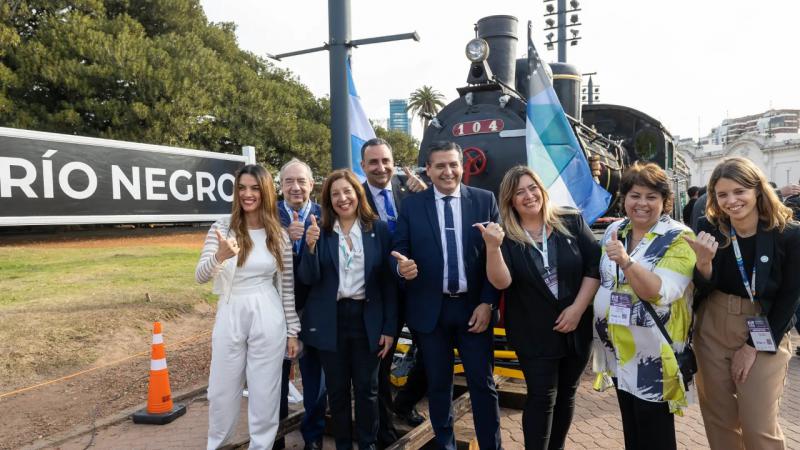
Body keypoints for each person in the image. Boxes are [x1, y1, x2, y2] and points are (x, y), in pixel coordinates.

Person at [479, 166, 601, 450]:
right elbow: (502, 281)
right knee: (541, 396)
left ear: (542, 190)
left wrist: (577, 310)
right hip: (532, 330)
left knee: (567, 393)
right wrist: (493, 248)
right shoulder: (504, 236)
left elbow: (594, 266)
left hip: (575, 328)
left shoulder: (570, 221)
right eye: (519, 192)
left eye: (532, 188)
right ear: (510, 200)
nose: (528, 195)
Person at [392, 141, 502, 450]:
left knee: (483, 385)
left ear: (462, 166)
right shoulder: (413, 206)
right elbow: (398, 250)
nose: (447, 171)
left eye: (453, 164)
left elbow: (496, 257)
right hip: (431, 313)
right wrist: (401, 269)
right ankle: (445, 445)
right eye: (439, 166)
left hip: (474, 311)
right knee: (438, 386)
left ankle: (492, 446)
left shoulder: (484, 200)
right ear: (428, 170)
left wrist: (488, 302)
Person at [685, 157, 800, 450]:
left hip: (766, 324)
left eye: (739, 192)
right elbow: (703, 286)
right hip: (713, 324)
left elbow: (789, 298)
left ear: (757, 190)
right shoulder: (707, 228)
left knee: (758, 425)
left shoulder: (788, 234)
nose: (731, 201)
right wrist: (704, 264)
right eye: (722, 194)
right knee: (719, 419)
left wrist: (752, 347)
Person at [592, 162, 696, 450]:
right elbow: (605, 281)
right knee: (633, 432)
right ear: (624, 198)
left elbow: (659, 293)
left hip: (655, 354)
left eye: (651, 197)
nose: (642, 203)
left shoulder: (679, 237)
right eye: (635, 195)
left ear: (665, 202)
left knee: (655, 435)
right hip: (619, 350)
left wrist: (627, 261)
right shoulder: (616, 229)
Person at [196, 164, 300, 450]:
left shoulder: (277, 235)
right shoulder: (221, 227)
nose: (247, 194)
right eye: (242, 187)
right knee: (221, 391)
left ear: (265, 191)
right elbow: (200, 276)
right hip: (231, 309)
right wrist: (219, 255)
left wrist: (293, 331)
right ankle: (217, 445)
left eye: (254, 188)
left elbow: (286, 287)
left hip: (268, 312)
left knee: (265, 392)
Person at [298, 169, 397, 450]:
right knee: (338, 393)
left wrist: (390, 328)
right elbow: (308, 278)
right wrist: (310, 247)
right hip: (332, 321)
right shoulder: (320, 231)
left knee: (368, 391)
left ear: (357, 194)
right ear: (328, 200)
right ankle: (343, 445)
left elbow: (387, 284)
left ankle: (367, 445)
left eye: (347, 192)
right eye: (335, 194)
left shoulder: (376, 229)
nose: (342, 198)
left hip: (367, 320)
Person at [359, 138, 428, 444]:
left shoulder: (409, 190)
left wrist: (427, 196)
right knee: (381, 363)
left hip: (413, 288)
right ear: (363, 166)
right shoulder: (353, 195)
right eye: (373, 162)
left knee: (433, 353)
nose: (380, 167)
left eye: (385, 161)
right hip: (378, 291)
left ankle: (405, 402)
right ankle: (384, 428)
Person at [276, 158, 325, 450]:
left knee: (315, 380)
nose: (295, 188)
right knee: (275, 380)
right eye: (289, 182)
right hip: (277, 310)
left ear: (311, 185)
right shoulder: (267, 217)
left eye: (301, 181)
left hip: (315, 309)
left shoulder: (326, 215)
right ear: (280, 186)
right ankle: (276, 437)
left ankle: (313, 438)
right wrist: (286, 240)